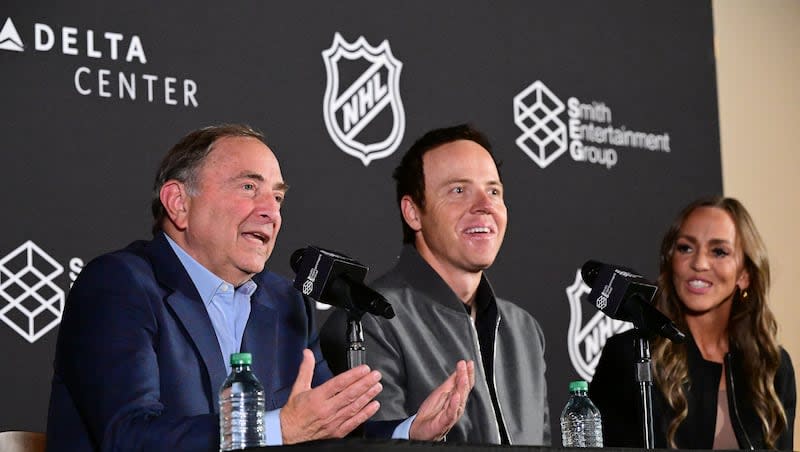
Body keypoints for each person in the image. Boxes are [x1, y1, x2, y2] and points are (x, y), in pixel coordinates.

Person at [45, 124, 475, 451]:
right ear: (179, 203)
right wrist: (278, 429)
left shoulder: (285, 302)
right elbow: (128, 436)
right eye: (249, 187)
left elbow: (327, 425)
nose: (271, 212)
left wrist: (408, 431)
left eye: (278, 198)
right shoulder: (119, 286)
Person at [321, 124, 550, 445]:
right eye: (459, 190)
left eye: (494, 191)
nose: (485, 204)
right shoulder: (369, 319)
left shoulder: (524, 329)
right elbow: (376, 447)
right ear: (413, 213)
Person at [589, 196, 796, 449]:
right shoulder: (630, 355)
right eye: (686, 248)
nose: (699, 263)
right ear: (670, 261)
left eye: (719, 251)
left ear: (744, 274)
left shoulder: (772, 366)